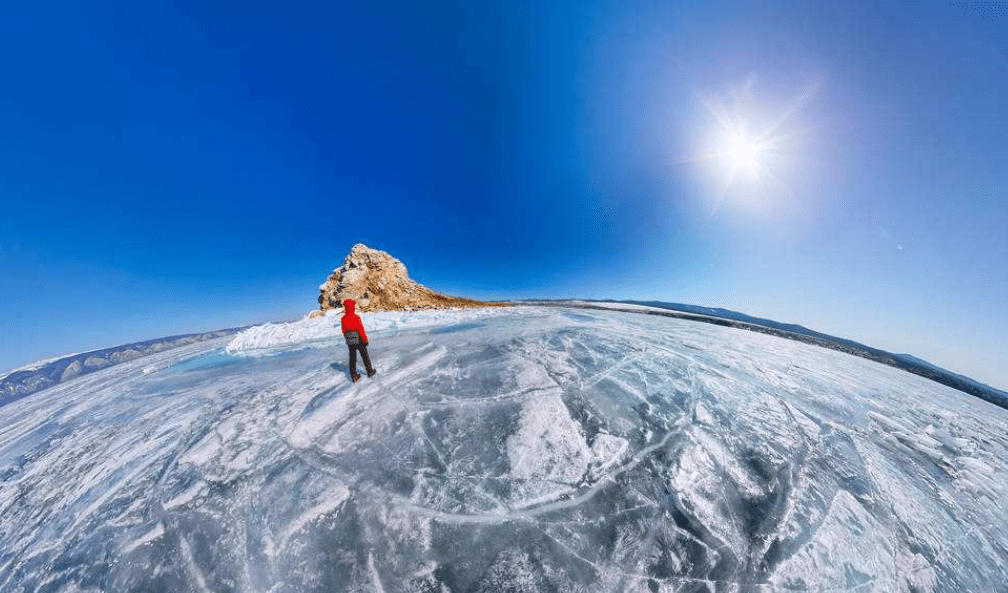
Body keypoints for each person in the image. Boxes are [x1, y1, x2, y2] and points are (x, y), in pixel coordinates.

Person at [340, 298, 376, 382]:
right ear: (352, 307)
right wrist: (365, 339)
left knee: (352, 358)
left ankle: (354, 375)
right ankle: (369, 371)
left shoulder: (343, 318)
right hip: (359, 339)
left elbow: (343, 331)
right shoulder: (356, 317)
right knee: (365, 356)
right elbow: (360, 329)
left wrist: (348, 339)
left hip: (350, 340)